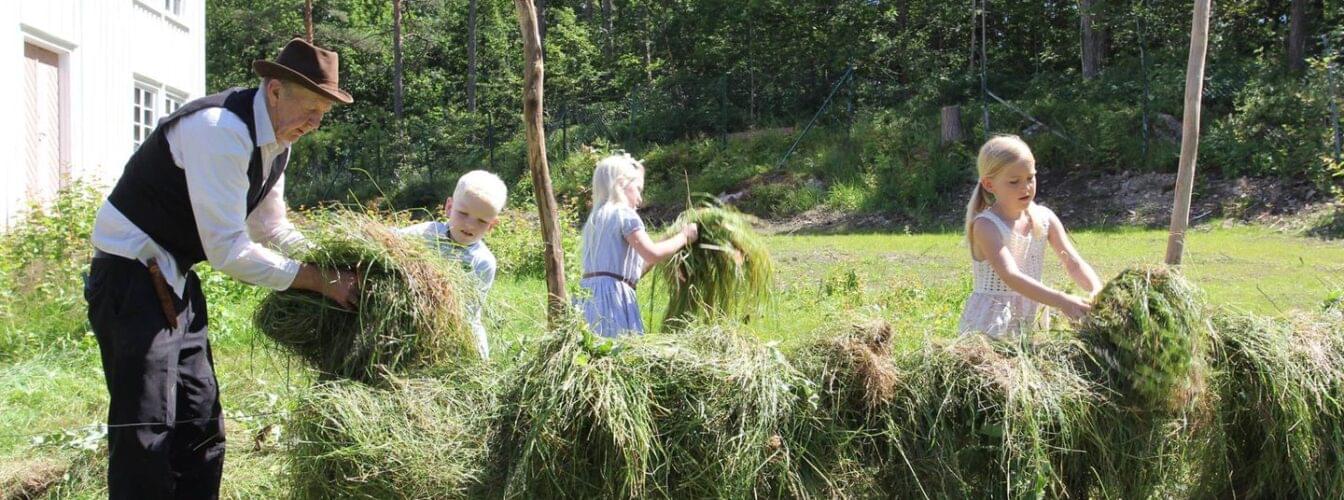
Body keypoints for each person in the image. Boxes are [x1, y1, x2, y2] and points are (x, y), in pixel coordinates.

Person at [83, 38, 358, 499]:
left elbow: (270, 226)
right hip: (130, 277)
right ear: (274, 90)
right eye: (309, 107)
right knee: (147, 426)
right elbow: (229, 251)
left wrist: (328, 259)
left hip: (174, 277)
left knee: (200, 415)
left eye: (322, 113)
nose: (314, 123)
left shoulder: (276, 142)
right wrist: (318, 281)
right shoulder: (220, 130)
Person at [957, 135, 1102, 338]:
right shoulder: (986, 225)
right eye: (1014, 181)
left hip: (1029, 321)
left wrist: (1097, 291)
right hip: (991, 326)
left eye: (1030, 178)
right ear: (989, 185)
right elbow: (1010, 276)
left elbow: (1073, 263)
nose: (1025, 187)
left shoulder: (1044, 218)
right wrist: (1061, 300)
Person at [579, 152, 697, 337]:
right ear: (620, 184)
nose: (641, 199)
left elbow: (635, 270)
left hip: (588, 299)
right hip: (613, 300)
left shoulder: (595, 220)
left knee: (593, 353)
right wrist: (684, 236)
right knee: (619, 353)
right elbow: (652, 254)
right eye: (638, 189)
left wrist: (667, 242)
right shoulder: (625, 215)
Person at [397, 170, 506, 359]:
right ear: (449, 207)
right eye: (463, 213)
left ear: (491, 225)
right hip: (413, 322)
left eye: (481, 221)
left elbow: (467, 312)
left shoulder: (483, 262)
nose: (470, 225)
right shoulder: (424, 234)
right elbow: (388, 239)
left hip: (457, 331)